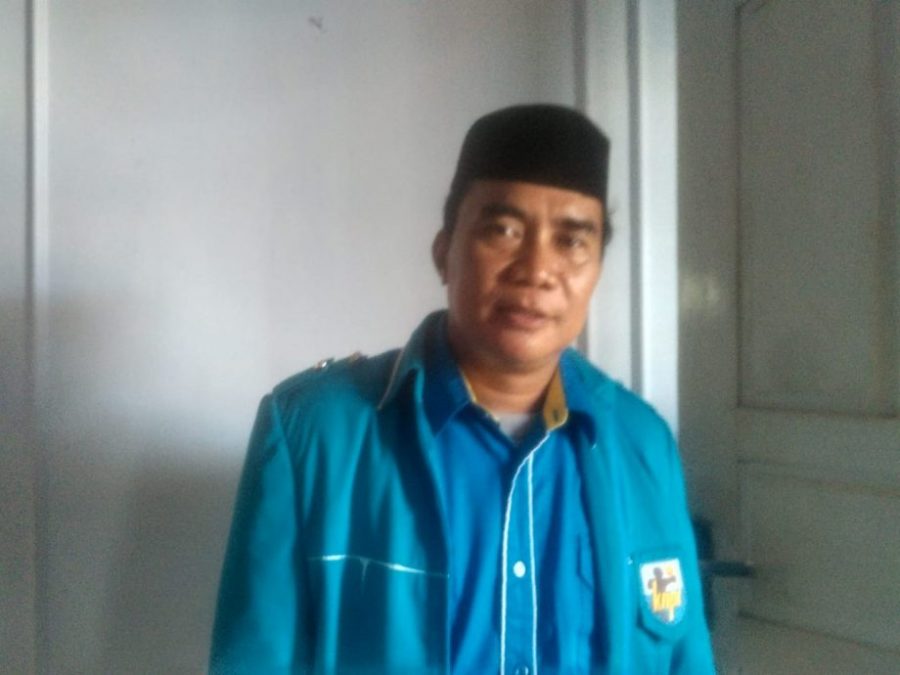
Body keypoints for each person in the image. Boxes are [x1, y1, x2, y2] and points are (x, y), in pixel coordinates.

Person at [210, 105, 715, 674]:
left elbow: (685, 659)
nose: (536, 270)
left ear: (596, 268)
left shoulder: (642, 442)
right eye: (504, 230)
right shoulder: (311, 435)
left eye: (572, 241)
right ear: (443, 252)